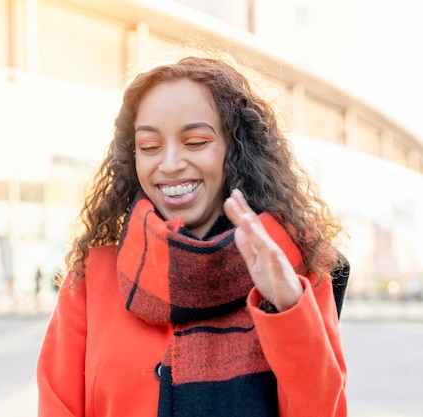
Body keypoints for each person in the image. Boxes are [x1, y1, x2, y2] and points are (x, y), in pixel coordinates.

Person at [37, 55, 349, 417]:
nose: (169, 164)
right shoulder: (93, 277)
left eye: (196, 142)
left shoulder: (295, 270)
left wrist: (288, 308)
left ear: (236, 150)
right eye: (150, 147)